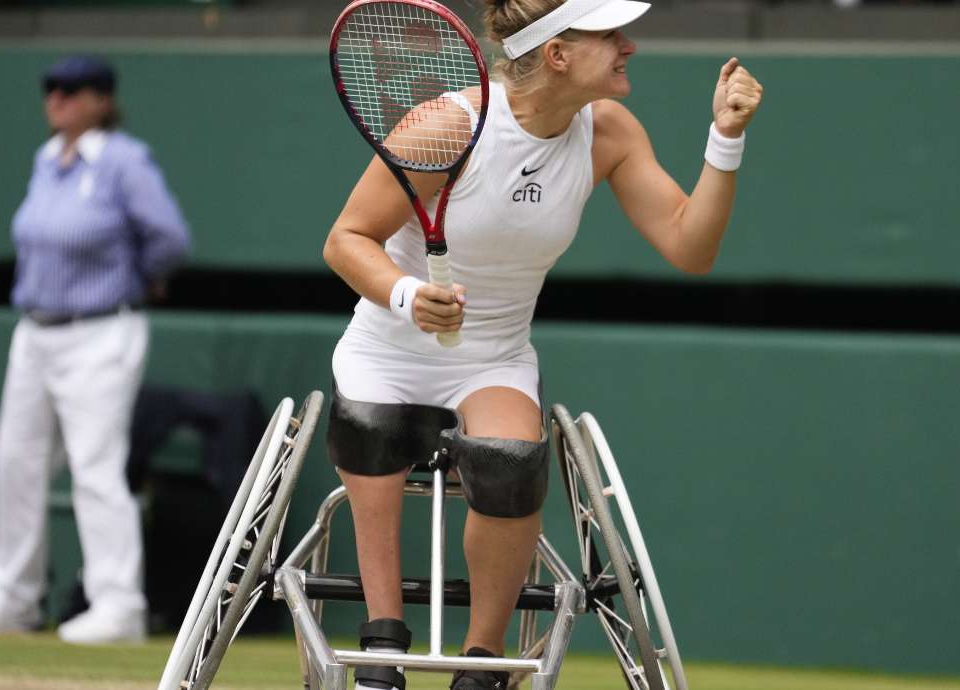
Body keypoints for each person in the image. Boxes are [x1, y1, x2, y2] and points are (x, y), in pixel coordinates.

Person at [322, 1, 762, 688]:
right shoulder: (447, 126)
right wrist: (409, 297)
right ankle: (382, 641)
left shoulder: (607, 132)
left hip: (493, 358)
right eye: (609, 36)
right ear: (557, 54)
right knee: (372, 425)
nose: (629, 47)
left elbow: (689, 244)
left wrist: (725, 137)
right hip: (389, 346)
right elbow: (346, 239)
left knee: (510, 460)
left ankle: (483, 663)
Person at [0, 55, 192, 645]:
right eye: (50, 89)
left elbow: (168, 237)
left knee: (95, 468)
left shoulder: (124, 161)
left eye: (71, 90)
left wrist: (140, 278)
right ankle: (14, 595)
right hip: (34, 333)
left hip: (101, 331)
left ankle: (119, 605)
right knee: (15, 462)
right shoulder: (43, 160)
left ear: (101, 100)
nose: (56, 99)